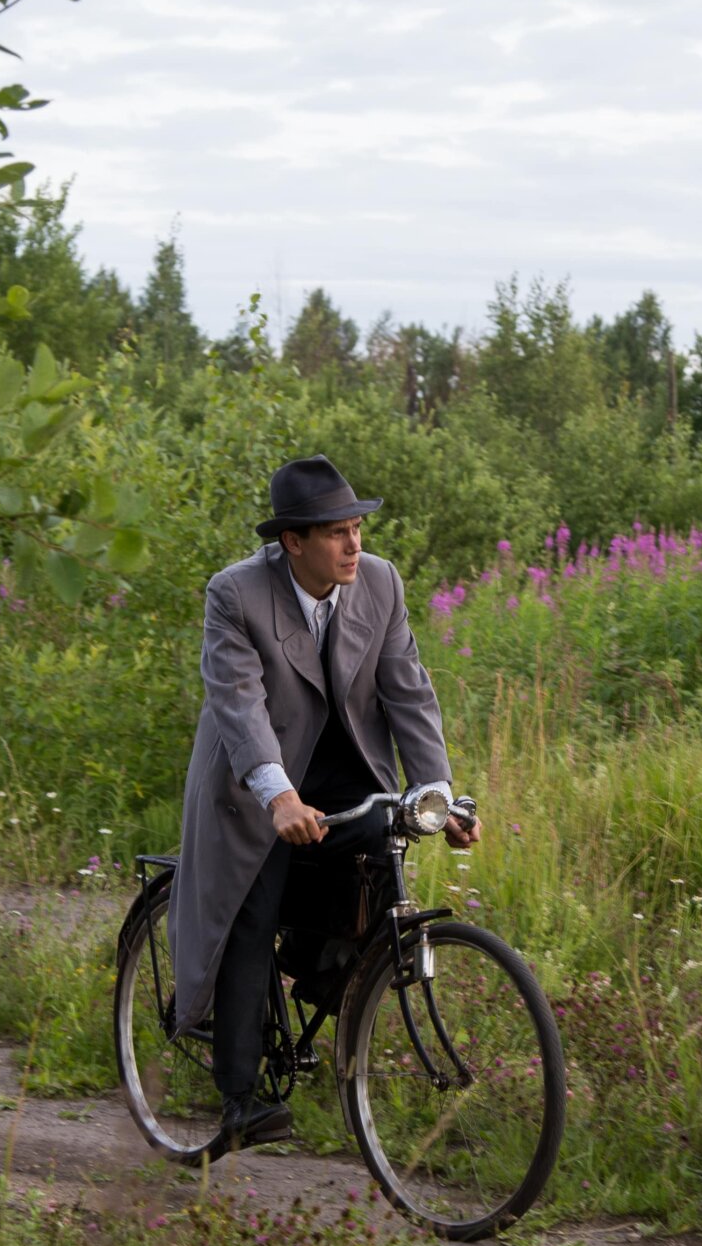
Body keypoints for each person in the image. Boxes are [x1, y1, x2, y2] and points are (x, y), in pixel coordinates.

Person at [168, 455, 480, 1154]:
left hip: (344, 768)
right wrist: (278, 796)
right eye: (336, 532)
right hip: (254, 780)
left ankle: (321, 979)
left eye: (356, 528)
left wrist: (437, 794)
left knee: (378, 862)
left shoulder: (381, 582)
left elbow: (409, 693)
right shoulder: (236, 594)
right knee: (253, 906)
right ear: (293, 542)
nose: (353, 544)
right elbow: (240, 706)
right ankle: (240, 1099)